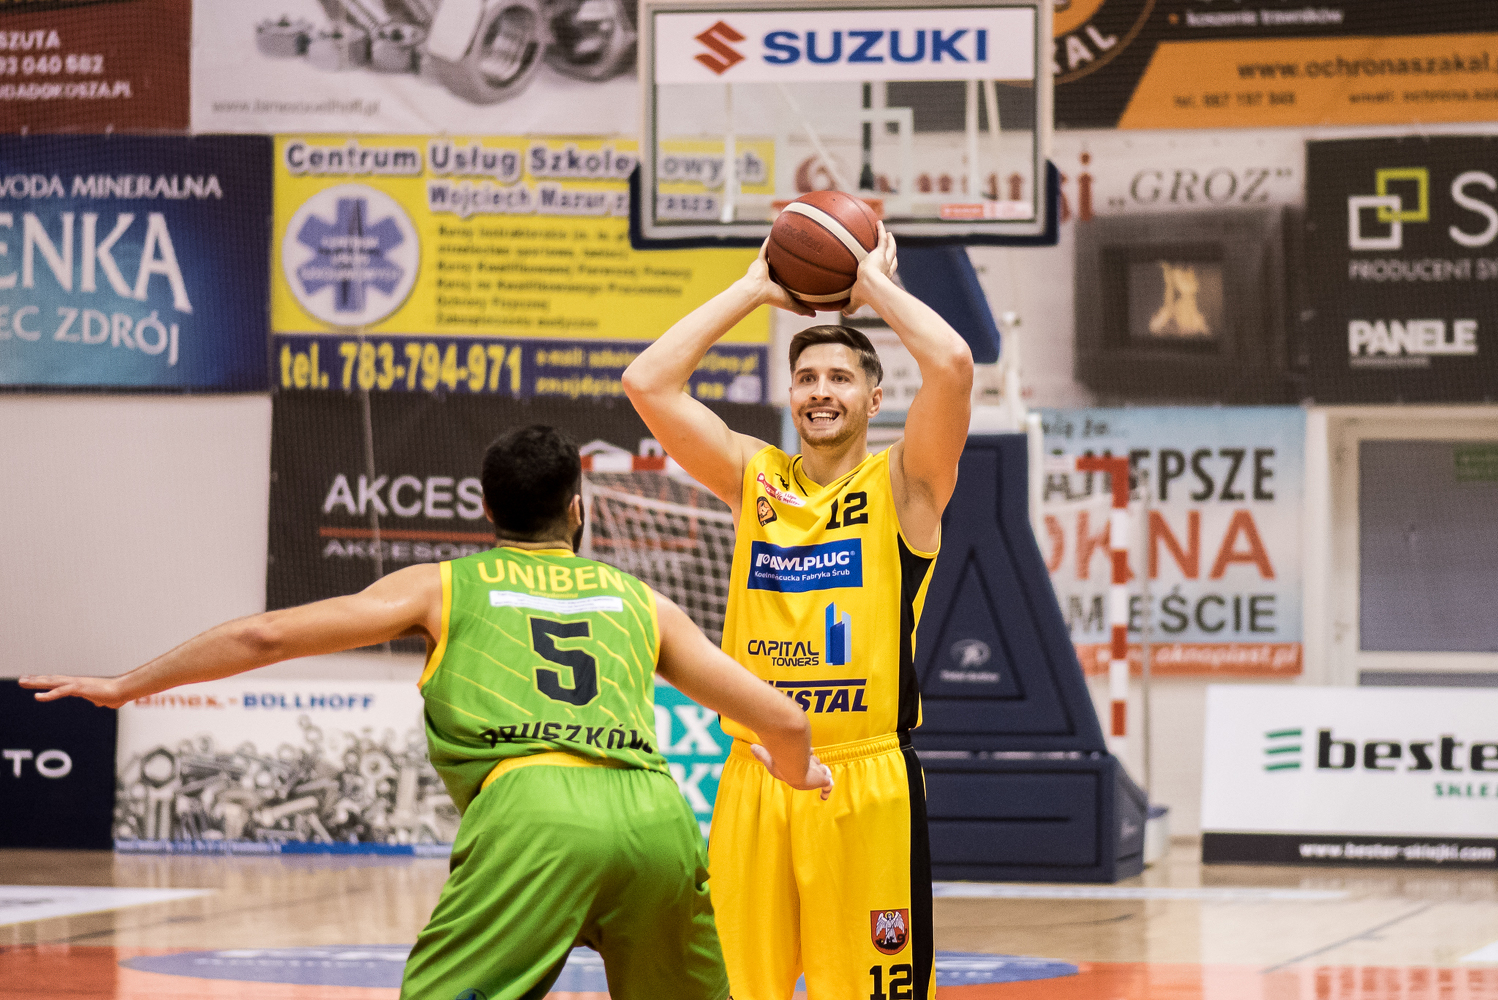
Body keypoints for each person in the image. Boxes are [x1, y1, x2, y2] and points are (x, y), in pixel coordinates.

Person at [22, 424, 834, 1000]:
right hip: (656, 815)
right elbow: (786, 723)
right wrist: (797, 773)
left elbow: (265, 635)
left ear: (485, 509)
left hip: (533, 809)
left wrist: (126, 685)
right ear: (578, 509)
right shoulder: (641, 600)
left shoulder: (442, 587)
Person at [623, 225, 973, 1000]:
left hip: (864, 780)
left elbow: (951, 363)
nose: (820, 391)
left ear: (874, 399)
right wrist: (753, 289)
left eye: (840, 378)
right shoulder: (754, 476)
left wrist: (873, 287)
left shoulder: (906, 484)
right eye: (806, 377)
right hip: (755, 780)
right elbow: (647, 382)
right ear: (790, 396)